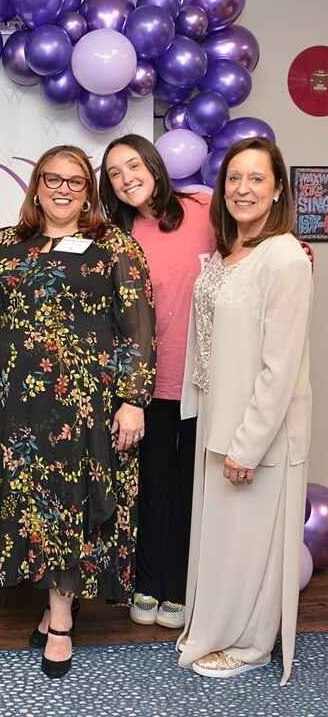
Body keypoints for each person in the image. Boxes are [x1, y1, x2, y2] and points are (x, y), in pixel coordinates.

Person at [0, 144, 156, 678]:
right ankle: (52, 605)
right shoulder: (6, 244)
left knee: (71, 510)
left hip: (86, 406)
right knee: (35, 512)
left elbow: (140, 327)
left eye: (75, 182)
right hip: (19, 406)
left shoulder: (116, 246)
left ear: (89, 192)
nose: (62, 189)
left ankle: (61, 621)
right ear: (36, 185)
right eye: (52, 179)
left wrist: (133, 399)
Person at [177, 137, 312, 683]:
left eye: (257, 178)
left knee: (252, 541)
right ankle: (215, 625)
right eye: (234, 178)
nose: (243, 189)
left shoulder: (284, 258)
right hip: (218, 417)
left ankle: (252, 644)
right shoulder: (229, 253)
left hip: (259, 429)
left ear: (278, 187)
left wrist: (248, 444)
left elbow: (280, 368)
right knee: (225, 538)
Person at [99, 134, 214, 630]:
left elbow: (256, 244)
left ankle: (179, 587)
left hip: (206, 380)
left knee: (193, 489)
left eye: (131, 165)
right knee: (150, 489)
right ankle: (146, 583)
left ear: (153, 163)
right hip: (145, 385)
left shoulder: (204, 207)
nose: (126, 178)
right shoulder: (115, 235)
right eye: (114, 174)